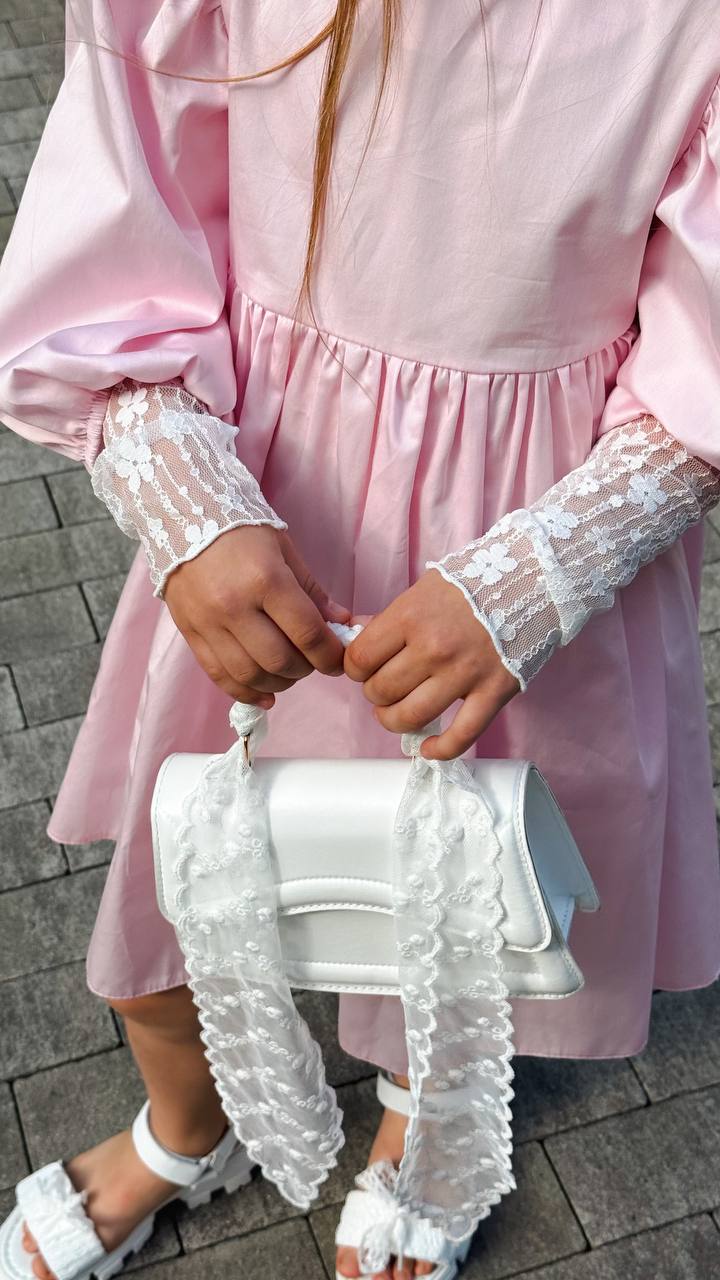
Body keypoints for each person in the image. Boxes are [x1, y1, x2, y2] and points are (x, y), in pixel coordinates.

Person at [0, 2, 719, 1278]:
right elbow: (133, 190)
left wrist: (553, 564)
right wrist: (175, 479)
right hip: (273, 513)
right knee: (172, 910)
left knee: (467, 906)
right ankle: (186, 1125)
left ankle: (418, 1112)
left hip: (539, 533)